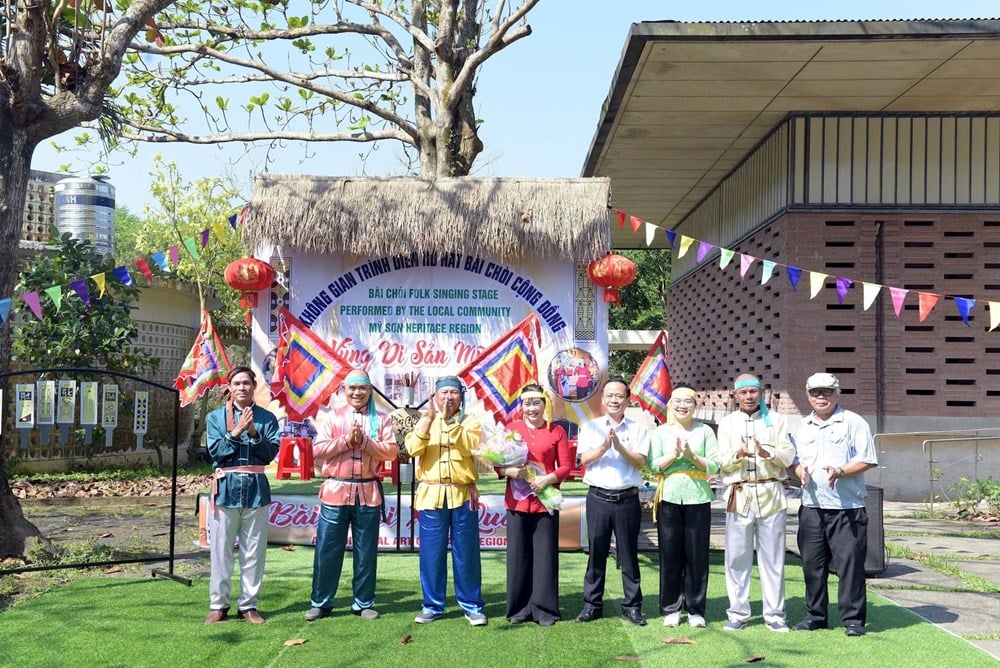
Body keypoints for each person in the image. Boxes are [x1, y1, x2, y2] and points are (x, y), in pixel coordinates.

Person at [790, 372, 879, 637]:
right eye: (816, 392)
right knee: (812, 565)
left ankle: (853, 620)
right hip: (811, 507)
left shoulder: (853, 422)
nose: (821, 397)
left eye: (827, 392)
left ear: (836, 394)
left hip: (847, 509)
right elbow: (793, 460)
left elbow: (868, 459)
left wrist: (840, 471)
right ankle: (815, 616)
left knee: (850, 567)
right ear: (807, 396)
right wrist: (798, 472)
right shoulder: (801, 426)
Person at [305, 369, 397, 622]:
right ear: (344, 391)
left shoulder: (382, 420)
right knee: (327, 548)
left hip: (367, 492)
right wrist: (347, 441)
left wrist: (365, 441)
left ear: (370, 391)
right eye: (352, 388)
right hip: (336, 490)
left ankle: (363, 602)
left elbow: (390, 452)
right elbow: (319, 450)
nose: (357, 393)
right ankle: (321, 601)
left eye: (362, 388)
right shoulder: (332, 418)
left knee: (366, 550)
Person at [404, 376, 487, 626]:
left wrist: (453, 423)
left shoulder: (470, 422)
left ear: (461, 396)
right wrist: (428, 421)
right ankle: (432, 605)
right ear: (435, 397)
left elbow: (470, 448)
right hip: (431, 496)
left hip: (462, 494)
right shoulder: (424, 420)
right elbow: (412, 449)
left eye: (453, 393)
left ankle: (472, 605)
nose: (448, 398)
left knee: (467, 553)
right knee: (431, 554)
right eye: (443, 393)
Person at [717, 374, 795, 632]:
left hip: (770, 491)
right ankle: (738, 612)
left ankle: (774, 614)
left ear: (761, 393)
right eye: (744, 392)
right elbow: (722, 462)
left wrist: (766, 453)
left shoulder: (777, 420)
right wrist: (738, 455)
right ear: (735, 395)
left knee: (773, 557)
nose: (749, 396)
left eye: (754, 391)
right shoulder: (727, 423)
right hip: (739, 493)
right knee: (737, 556)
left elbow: (787, 456)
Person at [204, 366, 280, 624]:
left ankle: (248, 605)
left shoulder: (267, 419)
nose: (241, 388)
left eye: (246, 383)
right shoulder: (215, 417)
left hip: (256, 489)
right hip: (226, 488)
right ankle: (218, 604)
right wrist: (236, 432)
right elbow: (215, 452)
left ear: (254, 385)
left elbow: (270, 453)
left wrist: (253, 433)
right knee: (221, 550)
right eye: (236, 383)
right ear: (229, 386)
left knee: (254, 552)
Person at [575, 378, 650, 626]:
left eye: (619, 396)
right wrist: (605, 445)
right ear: (602, 399)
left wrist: (619, 446)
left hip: (627, 499)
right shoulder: (590, 427)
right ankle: (592, 604)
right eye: (609, 396)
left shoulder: (638, 429)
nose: (614, 400)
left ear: (628, 399)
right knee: (596, 553)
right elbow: (584, 459)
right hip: (598, 498)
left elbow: (640, 462)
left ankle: (632, 605)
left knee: (629, 555)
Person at [498, 384, 572, 627]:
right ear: (522, 407)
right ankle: (519, 608)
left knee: (545, 556)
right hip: (518, 501)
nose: (532, 408)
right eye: (527, 404)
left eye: (536, 403)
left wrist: (547, 478)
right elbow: (497, 464)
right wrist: (510, 471)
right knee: (518, 556)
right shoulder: (511, 430)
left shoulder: (556, 431)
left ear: (545, 405)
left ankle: (544, 609)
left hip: (545, 500)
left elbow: (565, 466)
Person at [649, 384, 719, 628]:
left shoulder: (705, 432)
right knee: (670, 554)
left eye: (687, 401)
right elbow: (653, 465)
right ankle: (670, 607)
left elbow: (714, 465)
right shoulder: (660, 433)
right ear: (670, 404)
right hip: (669, 497)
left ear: (694, 405)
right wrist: (675, 455)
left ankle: (695, 609)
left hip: (698, 497)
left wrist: (691, 456)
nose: (682, 405)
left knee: (697, 555)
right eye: (677, 401)